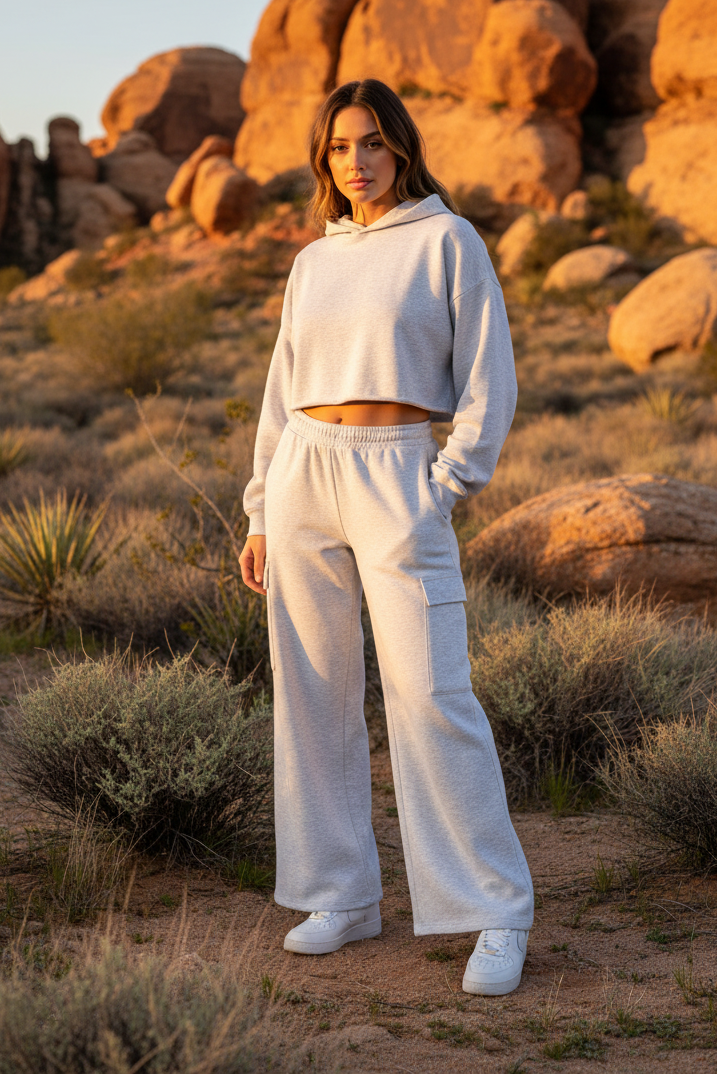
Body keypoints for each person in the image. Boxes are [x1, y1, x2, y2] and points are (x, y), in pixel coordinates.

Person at [240, 78, 533, 996]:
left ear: (399, 146)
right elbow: (280, 390)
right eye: (338, 148)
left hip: (398, 471)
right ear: (323, 159)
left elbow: (489, 378)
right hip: (305, 475)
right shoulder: (313, 261)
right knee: (312, 693)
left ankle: (494, 908)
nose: (355, 162)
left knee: (430, 691)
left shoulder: (447, 240)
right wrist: (260, 506)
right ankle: (341, 894)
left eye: (370, 143)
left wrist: (444, 484)